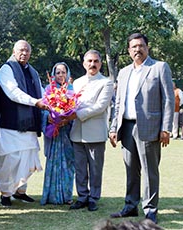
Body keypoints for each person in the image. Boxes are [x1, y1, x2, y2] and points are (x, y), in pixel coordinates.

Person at [109, 33, 174, 224]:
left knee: (149, 171)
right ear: (129, 50)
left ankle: (150, 210)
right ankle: (130, 206)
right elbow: (118, 103)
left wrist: (166, 128)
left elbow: (169, 100)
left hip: (150, 128)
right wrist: (113, 127)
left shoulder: (159, 67)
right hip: (126, 127)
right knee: (131, 169)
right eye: (133, 47)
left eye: (141, 46)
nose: (137, 49)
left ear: (148, 47)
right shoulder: (123, 72)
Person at [0, 39, 48, 207]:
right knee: (10, 160)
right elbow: (13, 92)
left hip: (29, 124)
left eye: (27, 50)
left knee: (28, 159)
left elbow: (43, 94)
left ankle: (20, 191)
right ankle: (5, 193)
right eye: (21, 50)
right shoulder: (6, 69)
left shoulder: (33, 72)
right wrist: (35, 102)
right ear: (14, 51)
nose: (24, 53)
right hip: (9, 124)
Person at [64, 50, 114, 212]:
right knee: (79, 168)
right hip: (77, 132)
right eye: (89, 61)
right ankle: (82, 196)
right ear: (84, 63)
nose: (92, 64)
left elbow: (100, 107)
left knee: (95, 168)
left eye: (96, 61)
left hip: (95, 133)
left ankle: (94, 197)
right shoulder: (76, 82)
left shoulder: (106, 83)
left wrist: (76, 115)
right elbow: (70, 103)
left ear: (100, 63)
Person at [40, 62, 75, 205]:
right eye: (58, 72)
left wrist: (67, 119)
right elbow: (42, 107)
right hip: (54, 133)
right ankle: (51, 196)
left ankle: (67, 195)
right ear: (54, 74)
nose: (61, 75)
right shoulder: (49, 89)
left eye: (63, 72)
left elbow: (76, 110)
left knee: (68, 163)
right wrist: (47, 117)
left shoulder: (73, 90)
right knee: (53, 163)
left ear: (68, 74)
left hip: (67, 132)